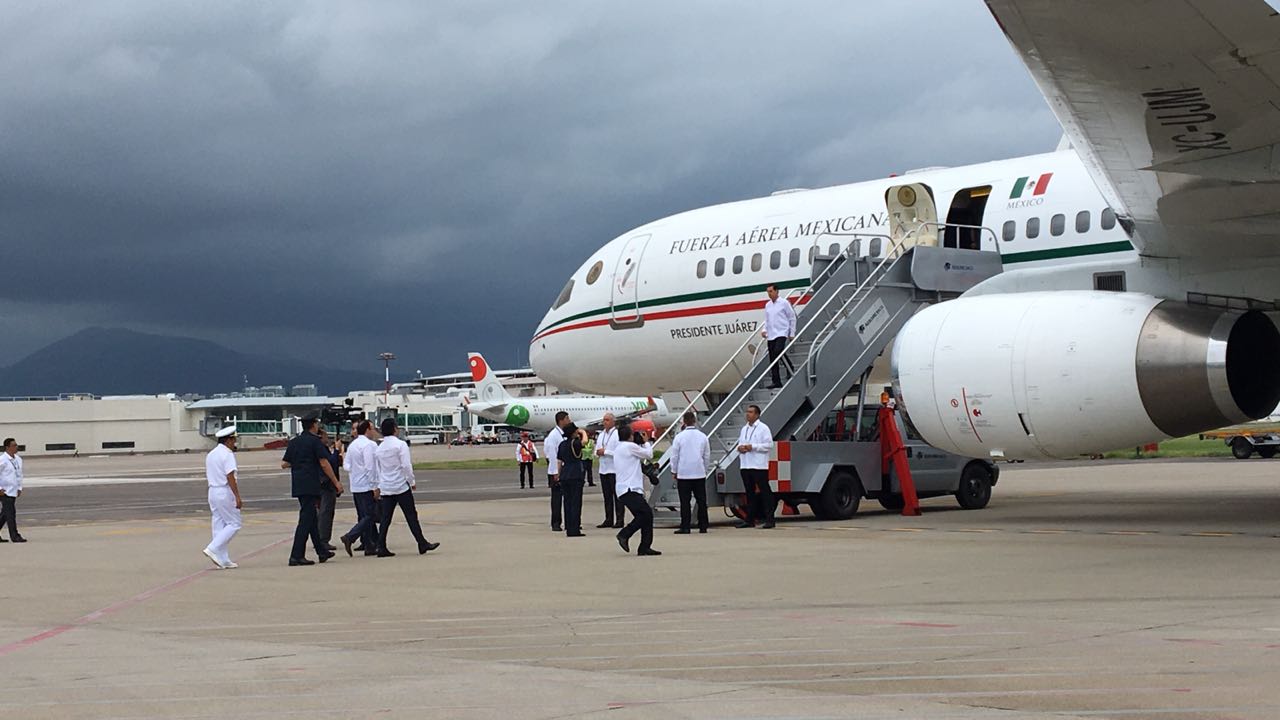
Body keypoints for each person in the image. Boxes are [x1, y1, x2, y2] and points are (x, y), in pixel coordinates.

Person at [281, 416, 343, 566]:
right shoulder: (314, 441)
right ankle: (296, 555)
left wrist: (300, 464)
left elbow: (284, 463)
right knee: (305, 521)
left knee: (312, 519)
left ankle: (321, 551)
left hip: (298, 484)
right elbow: (324, 463)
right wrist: (336, 482)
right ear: (314, 425)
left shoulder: (294, 442)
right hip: (311, 485)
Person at [375, 417, 439, 557]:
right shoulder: (400, 445)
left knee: (386, 518)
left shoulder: (379, 448)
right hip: (400, 485)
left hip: (386, 486)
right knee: (411, 516)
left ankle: (381, 546)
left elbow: (378, 469)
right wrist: (411, 481)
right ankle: (421, 542)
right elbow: (406, 465)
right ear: (394, 429)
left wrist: (380, 484)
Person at [612, 425, 660, 556]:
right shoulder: (629, 447)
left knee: (645, 516)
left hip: (625, 489)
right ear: (630, 436)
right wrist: (646, 442)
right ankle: (624, 534)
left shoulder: (619, 448)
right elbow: (649, 454)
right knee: (646, 515)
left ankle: (645, 546)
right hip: (630, 488)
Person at [202, 426, 242, 569]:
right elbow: (230, 476)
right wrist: (237, 496)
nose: (235, 442)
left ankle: (222, 558)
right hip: (224, 491)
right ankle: (213, 548)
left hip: (212, 490)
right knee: (234, 523)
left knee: (219, 523)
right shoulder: (227, 454)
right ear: (228, 440)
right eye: (234, 439)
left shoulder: (211, 454)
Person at [339, 420, 380, 557]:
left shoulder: (353, 445)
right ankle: (350, 536)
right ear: (367, 429)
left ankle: (369, 545)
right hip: (366, 485)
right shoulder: (369, 445)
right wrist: (375, 486)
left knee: (363, 516)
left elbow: (346, 465)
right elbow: (370, 467)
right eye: (372, 428)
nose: (374, 431)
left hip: (355, 485)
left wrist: (355, 470)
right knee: (370, 515)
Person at [669, 411, 711, 534]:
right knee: (701, 500)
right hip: (699, 472)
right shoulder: (702, 436)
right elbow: (706, 455)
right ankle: (703, 525)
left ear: (684, 422)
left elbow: (675, 456)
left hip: (684, 473)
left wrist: (674, 470)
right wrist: (705, 468)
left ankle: (685, 526)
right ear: (694, 421)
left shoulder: (679, 437)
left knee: (685, 501)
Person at [735, 404, 775, 529]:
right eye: (747, 412)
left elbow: (769, 445)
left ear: (757, 415)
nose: (748, 414)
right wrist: (740, 448)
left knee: (764, 492)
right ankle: (749, 519)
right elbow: (740, 442)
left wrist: (753, 447)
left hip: (758, 465)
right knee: (749, 493)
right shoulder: (744, 429)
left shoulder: (763, 428)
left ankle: (770, 519)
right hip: (746, 464)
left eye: (751, 412)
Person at [761, 283, 797, 389]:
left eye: (771, 291)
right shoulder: (768, 305)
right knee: (773, 358)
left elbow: (792, 317)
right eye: (768, 292)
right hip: (771, 334)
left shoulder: (784, 303)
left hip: (782, 332)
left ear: (777, 291)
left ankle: (789, 366)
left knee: (778, 351)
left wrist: (792, 333)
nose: (769, 294)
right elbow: (767, 320)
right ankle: (776, 381)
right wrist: (764, 330)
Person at [594, 413, 625, 529]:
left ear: (613, 422)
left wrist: (605, 452)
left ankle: (620, 519)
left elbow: (619, 452)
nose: (605, 422)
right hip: (603, 469)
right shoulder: (601, 435)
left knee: (617, 496)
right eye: (604, 420)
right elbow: (597, 448)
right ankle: (608, 518)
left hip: (614, 469)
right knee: (607, 496)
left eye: (607, 420)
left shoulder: (616, 435)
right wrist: (597, 452)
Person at [556, 423, 588, 537]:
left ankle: (569, 526)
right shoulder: (575, 443)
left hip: (565, 474)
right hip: (575, 473)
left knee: (567, 502)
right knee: (575, 502)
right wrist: (583, 432)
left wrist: (558, 475)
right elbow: (584, 442)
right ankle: (574, 528)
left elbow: (559, 461)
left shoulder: (562, 444)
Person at [317, 429, 343, 553]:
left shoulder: (320, 448)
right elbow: (330, 464)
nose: (328, 439)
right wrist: (336, 450)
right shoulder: (321, 448)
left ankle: (320, 539)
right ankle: (323, 539)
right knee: (326, 512)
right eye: (326, 436)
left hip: (320, 484)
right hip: (326, 484)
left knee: (322, 512)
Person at [544, 411, 569, 531]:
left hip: (562, 469)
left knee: (566, 497)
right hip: (556, 470)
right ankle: (555, 522)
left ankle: (567, 521)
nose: (569, 421)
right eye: (567, 419)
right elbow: (552, 454)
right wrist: (555, 472)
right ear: (561, 420)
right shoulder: (554, 436)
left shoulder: (562, 434)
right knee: (557, 498)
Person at [0, 438, 26, 543]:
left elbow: (19, 475)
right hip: (4, 491)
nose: (16, 447)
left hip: (13, 490)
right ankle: (15, 536)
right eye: (14, 445)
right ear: (7, 447)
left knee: (5, 514)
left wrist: (19, 488)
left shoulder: (18, 459)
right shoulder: (2, 460)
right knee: (11, 513)